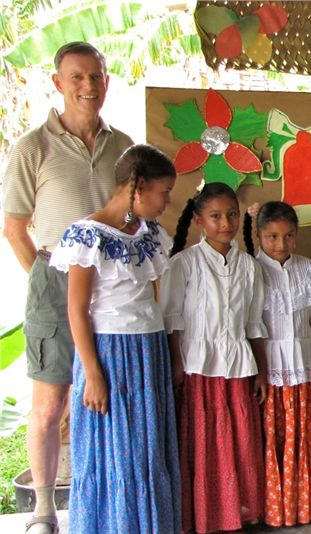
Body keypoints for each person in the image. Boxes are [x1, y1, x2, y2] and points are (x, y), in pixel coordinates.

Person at [1, 41, 133, 534]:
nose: (88, 85)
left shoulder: (123, 147)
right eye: (77, 77)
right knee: (50, 402)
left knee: (103, 395)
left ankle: (99, 502)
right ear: (57, 83)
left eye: (96, 76)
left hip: (115, 287)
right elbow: (15, 228)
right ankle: (42, 509)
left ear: (106, 81)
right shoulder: (33, 147)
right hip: (55, 283)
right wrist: (46, 278)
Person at [48, 145, 181, 533]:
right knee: (117, 453)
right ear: (137, 188)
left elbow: (158, 298)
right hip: (110, 354)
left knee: (147, 450)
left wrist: (168, 354)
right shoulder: (86, 236)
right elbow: (76, 309)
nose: (167, 201)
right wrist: (91, 373)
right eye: (163, 192)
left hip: (149, 350)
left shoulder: (151, 234)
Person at [160, 183, 269, 533]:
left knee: (240, 441)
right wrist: (178, 365)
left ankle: (239, 513)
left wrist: (261, 371)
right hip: (197, 368)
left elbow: (255, 324)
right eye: (216, 216)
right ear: (198, 220)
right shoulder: (184, 264)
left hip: (238, 367)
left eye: (232, 214)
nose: (226, 223)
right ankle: (204, 517)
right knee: (204, 445)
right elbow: (173, 320)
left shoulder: (250, 268)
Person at [243, 201, 311, 526]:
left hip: (305, 368)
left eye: (288, 236)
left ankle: (307, 505)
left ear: (297, 236)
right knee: (273, 441)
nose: (280, 244)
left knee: (306, 437)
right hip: (268, 370)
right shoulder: (250, 272)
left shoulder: (309, 270)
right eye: (272, 236)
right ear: (259, 236)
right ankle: (273, 509)